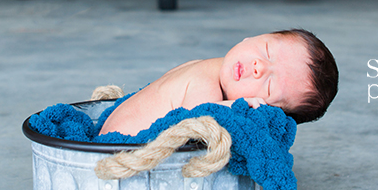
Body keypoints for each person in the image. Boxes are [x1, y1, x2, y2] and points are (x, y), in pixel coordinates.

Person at [98, 28, 338, 136]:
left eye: (268, 86)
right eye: (266, 50)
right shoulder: (207, 82)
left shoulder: (211, 64)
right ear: (252, 37)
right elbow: (197, 117)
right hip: (116, 151)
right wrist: (234, 107)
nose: (259, 67)